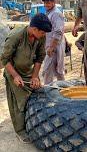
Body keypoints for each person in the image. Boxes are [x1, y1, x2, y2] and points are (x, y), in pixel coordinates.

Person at [0, 14, 52, 143]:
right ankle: (20, 131)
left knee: (37, 94)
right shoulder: (15, 37)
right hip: (14, 72)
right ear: (34, 28)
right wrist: (16, 76)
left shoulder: (41, 37)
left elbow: (40, 57)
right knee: (20, 102)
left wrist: (35, 77)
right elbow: (4, 59)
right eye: (42, 32)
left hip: (28, 72)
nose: (44, 34)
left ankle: (32, 123)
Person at [41, 0, 65, 84]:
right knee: (57, 71)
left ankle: (49, 91)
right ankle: (63, 89)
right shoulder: (49, 13)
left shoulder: (56, 14)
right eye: (45, 3)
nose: (46, 5)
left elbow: (58, 32)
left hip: (54, 48)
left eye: (48, 3)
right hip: (51, 46)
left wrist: (52, 47)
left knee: (49, 71)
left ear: (53, 2)